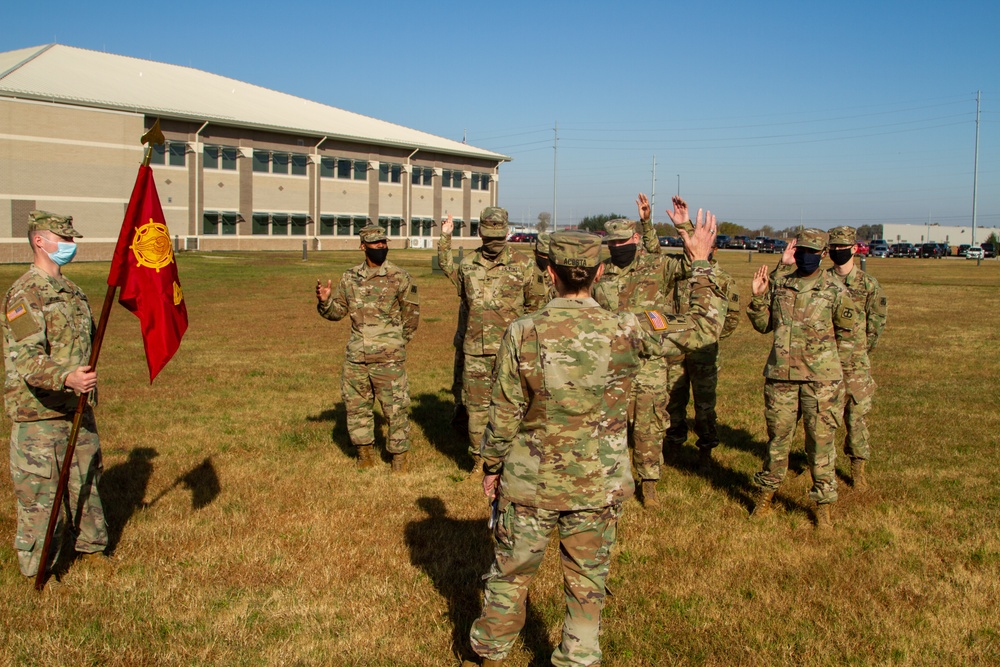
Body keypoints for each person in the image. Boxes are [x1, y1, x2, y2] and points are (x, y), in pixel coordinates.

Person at [463, 222, 725, 667]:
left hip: (530, 483)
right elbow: (703, 326)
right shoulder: (626, 328)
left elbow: (503, 413)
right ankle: (578, 657)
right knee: (587, 581)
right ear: (600, 272)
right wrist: (700, 262)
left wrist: (491, 468)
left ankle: (489, 654)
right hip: (596, 485)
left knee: (510, 575)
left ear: (550, 273)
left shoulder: (523, 331)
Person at [3, 210, 107, 577]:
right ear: (39, 242)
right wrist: (66, 377)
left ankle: (93, 556)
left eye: (72, 239)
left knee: (86, 484)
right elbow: (26, 360)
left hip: (77, 407)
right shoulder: (23, 295)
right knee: (41, 499)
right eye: (63, 240)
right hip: (39, 415)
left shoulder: (74, 293)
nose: (71, 246)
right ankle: (39, 570)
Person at [746, 228, 860, 529]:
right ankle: (766, 497)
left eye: (812, 252)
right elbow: (763, 325)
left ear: (823, 254)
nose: (805, 257)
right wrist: (758, 298)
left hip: (821, 382)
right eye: (801, 251)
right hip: (781, 378)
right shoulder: (781, 284)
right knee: (777, 441)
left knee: (821, 445)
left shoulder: (835, 290)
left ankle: (823, 508)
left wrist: (839, 376)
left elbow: (848, 336)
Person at [591, 194, 688, 508]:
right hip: (612, 362)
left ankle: (649, 484)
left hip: (648, 361)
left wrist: (683, 227)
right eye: (612, 245)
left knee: (649, 423)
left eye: (623, 242)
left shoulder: (655, 265)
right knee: (610, 424)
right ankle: (611, 481)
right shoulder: (600, 272)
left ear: (635, 238)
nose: (618, 249)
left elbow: (693, 262)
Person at [316, 224, 419, 472]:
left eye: (384, 243)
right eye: (376, 244)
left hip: (389, 358)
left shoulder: (400, 277)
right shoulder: (350, 277)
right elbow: (337, 312)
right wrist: (325, 301)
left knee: (396, 409)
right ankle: (364, 455)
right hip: (357, 357)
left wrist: (394, 344)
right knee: (356, 407)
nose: (381, 247)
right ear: (363, 246)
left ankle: (399, 460)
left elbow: (411, 317)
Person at [437, 208, 533, 474]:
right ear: (480, 233)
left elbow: (536, 307)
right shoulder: (468, 264)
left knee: (512, 405)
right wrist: (445, 238)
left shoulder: (524, 264)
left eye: (497, 236)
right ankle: (480, 461)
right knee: (477, 409)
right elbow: (449, 270)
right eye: (488, 236)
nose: (492, 242)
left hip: (511, 351)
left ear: (506, 232)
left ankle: (513, 459)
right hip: (476, 351)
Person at [826, 226, 887, 489]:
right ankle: (820, 466)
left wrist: (859, 350)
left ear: (854, 249)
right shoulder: (822, 280)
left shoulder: (868, 284)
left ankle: (858, 467)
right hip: (824, 361)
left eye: (843, 248)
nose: (838, 252)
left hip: (856, 364)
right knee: (823, 417)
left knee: (856, 417)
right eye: (833, 248)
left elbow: (876, 323)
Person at [526, 232, 556, 311]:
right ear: (535, 252)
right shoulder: (526, 272)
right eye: (542, 254)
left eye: (548, 255)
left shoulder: (557, 275)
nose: (545, 258)